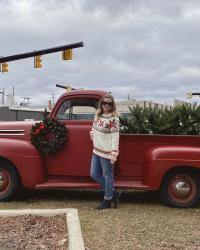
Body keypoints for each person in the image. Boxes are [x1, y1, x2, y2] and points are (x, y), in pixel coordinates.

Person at [90, 93, 120, 209]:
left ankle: (107, 200)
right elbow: (93, 127)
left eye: (109, 103)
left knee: (108, 176)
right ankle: (114, 193)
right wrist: (92, 133)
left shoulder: (114, 119)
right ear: (101, 103)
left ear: (112, 105)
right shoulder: (98, 115)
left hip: (107, 152)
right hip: (96, 150)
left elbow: (115, 136)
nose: (106, 105)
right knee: (94, 174)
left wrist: (114, 152)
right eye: (104, 103)